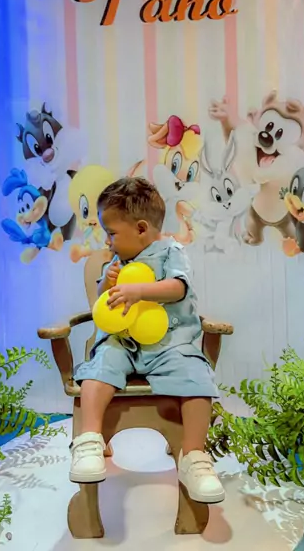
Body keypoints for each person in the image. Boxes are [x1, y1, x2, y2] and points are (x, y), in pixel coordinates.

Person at [70, 176, 225, 504]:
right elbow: (102, 302)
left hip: (169, 344)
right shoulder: (118, 262)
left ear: (141, 228)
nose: (108, 241)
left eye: (112, 233)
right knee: (98, 366)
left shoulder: (171, 252)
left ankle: (194, 457)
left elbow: (178, 288)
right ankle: (90, 441)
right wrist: (106, 283)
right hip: (123, 342)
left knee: (196, 375)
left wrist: (139, 290)